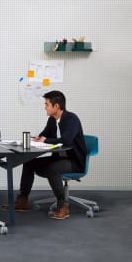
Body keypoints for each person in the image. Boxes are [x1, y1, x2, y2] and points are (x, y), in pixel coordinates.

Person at [11, 90, 87, 220]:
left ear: (56, 106)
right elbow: (45, 135)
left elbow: (67, 140)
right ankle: (23, 200)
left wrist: (45, 140)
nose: (44, 107)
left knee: (52, 169)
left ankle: (63, 205)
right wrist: (38, 138)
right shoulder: (52, 120)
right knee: (29, 162)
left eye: (46, 104)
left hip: (74, 161)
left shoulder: (71, 119)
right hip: (58, 158)